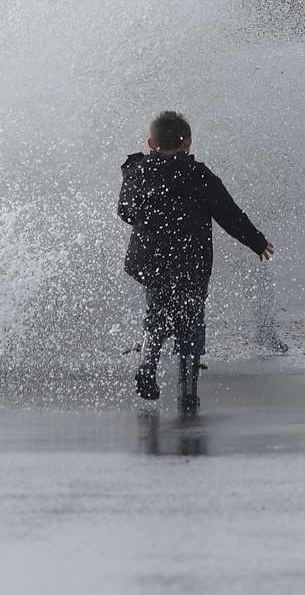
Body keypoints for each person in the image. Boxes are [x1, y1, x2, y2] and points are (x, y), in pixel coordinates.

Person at [118, 110, 275, 415]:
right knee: (190, 321)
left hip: (151, 261)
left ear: (151, 142)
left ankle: (147, 364)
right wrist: (256, 241)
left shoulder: (137, 172)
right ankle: (188, 392)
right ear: (188, 142)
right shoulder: (199, 175)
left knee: (156, 312)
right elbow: (228, 213)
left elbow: (125, 211)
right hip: (191, 262)